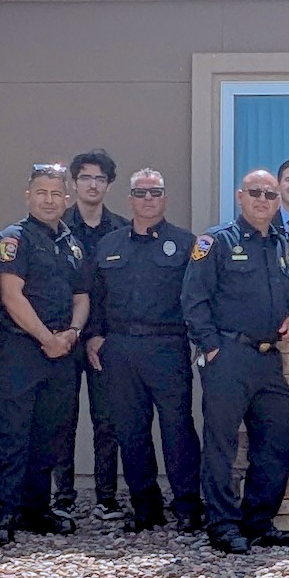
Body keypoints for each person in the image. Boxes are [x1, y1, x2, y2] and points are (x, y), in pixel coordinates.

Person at [183, 169, 289, 554]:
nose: (263, 200)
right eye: (255, 193)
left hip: (269, 359)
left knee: (276, 440)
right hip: (229, 356)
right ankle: (222, 523)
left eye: (270, 195)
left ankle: (258, 521)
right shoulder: (216, 241)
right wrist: (210, 346)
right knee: (220, 444)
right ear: (240, 197)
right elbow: (194, 299)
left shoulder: (283, 245)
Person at [86, 168, 204, 534]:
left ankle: (187, 506)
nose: (148, 199)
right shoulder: (109, 245)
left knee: (177, 429)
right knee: (130, 430)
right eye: (141, 193)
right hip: (119, 347)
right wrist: (93, 336)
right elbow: (94, 295)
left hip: (167, 345)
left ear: (165, 199)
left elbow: (198, 296)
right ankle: (145, 506)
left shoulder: (187, 245)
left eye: (155, 193)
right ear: (130, 199)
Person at [0, 164, 89, 546]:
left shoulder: (73, 242)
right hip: (22, 349)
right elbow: (12, 296)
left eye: (55, 194)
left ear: (66, 199)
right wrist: (47, 338)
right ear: (28, 195)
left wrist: (73, 333)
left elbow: (83, 295)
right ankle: (4, 514)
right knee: (14, 433)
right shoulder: (14, 239)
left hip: (63, 349)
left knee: (52, 434)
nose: (49, 200)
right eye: (41, 193)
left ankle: (36, 509)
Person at [57, 150, 129, 523]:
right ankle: (63, 498)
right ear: (74, 182)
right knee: (62, 419)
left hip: (104, 340)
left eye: (99, 179)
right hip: (62, 338)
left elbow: (120, 291)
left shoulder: (121, 230)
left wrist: (100, 334)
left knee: (107, 420)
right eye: (85, 177)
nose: (92, 184)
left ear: (108, 185)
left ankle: (106, 497)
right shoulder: (58, 226)